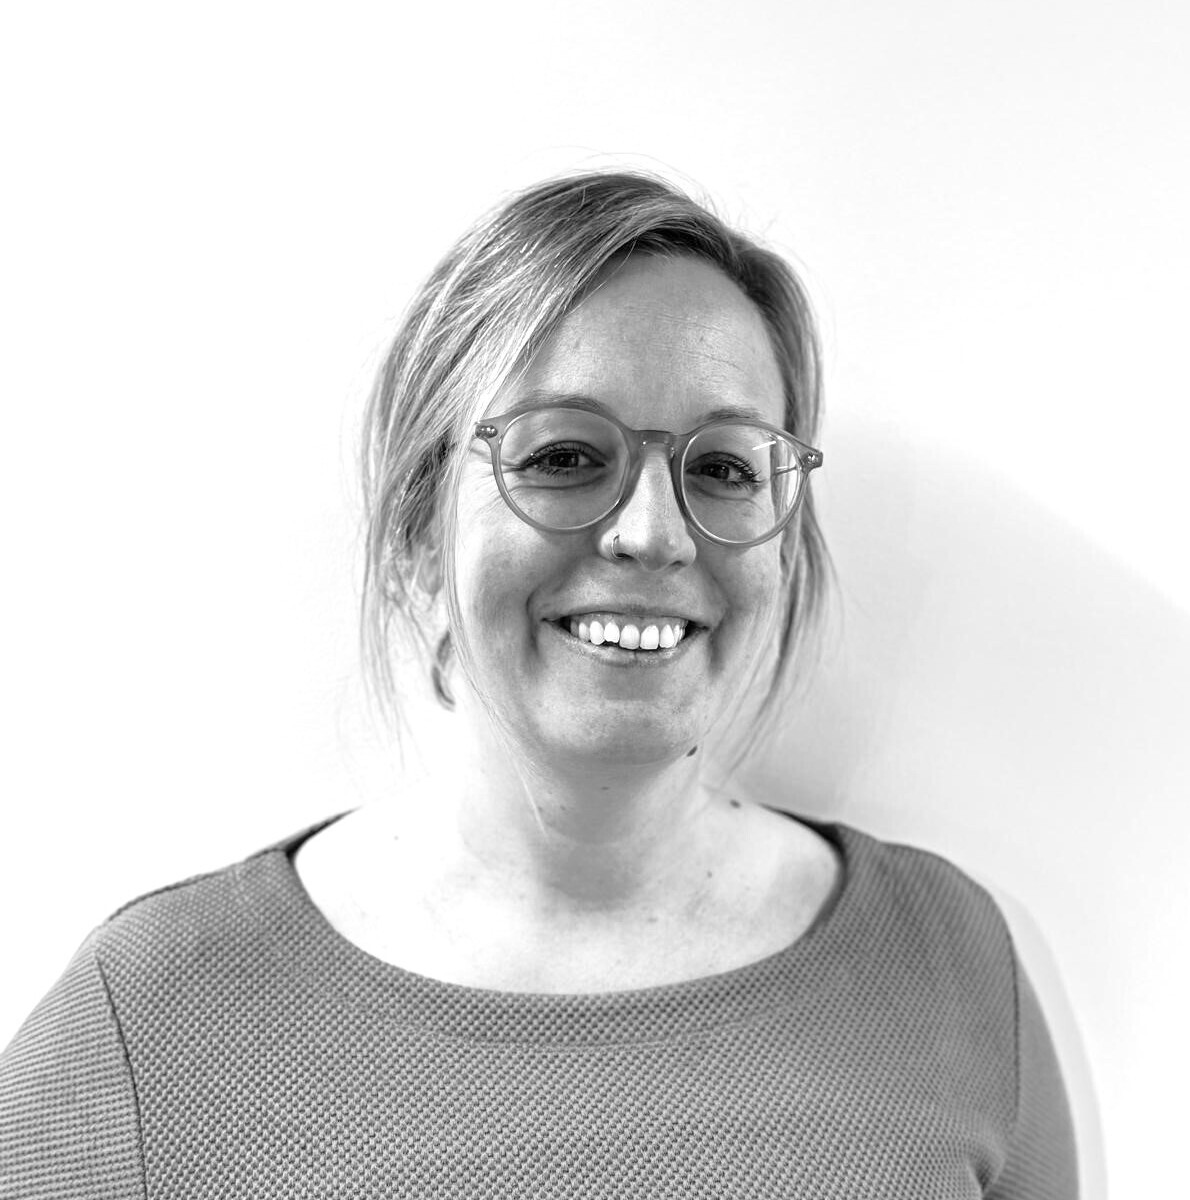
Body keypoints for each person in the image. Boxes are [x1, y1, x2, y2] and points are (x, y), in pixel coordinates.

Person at [0, 170, 1077, 1197]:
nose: (653, 533)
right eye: (563, 456)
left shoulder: (951, 970)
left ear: (785, 548)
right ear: (418, 539)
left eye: (723, 467)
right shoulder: (149, 1026)